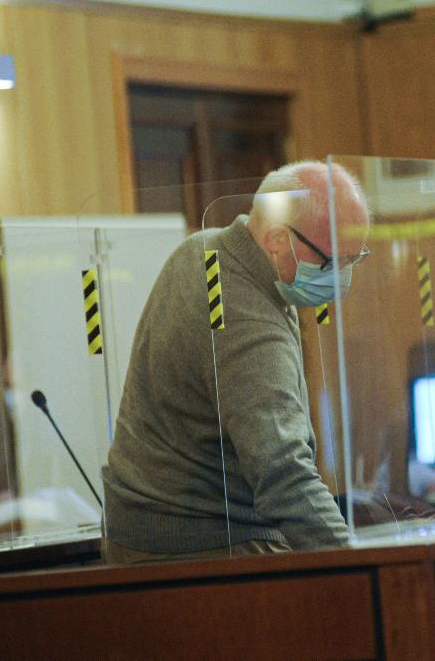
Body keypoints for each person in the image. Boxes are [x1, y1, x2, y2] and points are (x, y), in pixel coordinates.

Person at [101, 161, 370, 563]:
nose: (343, 278)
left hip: (148, 535)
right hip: (204, 547)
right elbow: (283, 474)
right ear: (279, 239)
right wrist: (363, 570)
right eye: (334, 263)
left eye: (355, 259)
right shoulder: (245, 316)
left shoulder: (203, 248)